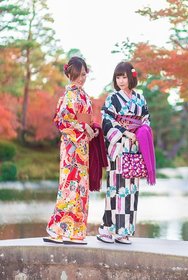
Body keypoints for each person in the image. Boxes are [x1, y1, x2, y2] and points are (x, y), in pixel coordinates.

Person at [97, 61, 153, 244]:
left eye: (124, 77)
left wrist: (140, 131)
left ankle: (124, 231)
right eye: (118, 77)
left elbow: (146, 119)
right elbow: (106, 121)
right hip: (119, 148)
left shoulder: (140, 98)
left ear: (131, 77)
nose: (121, 81)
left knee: (132, 189)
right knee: (116, 187)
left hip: (135, 147)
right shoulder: (112, 99)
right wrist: (124, 131)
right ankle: (106, 229)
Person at [44, 56, 98, 245]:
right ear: (69, 74)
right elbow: (60, 121)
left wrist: (92, 128)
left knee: (81, 189)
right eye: (77, 75)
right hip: (70, 147)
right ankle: (59, 231)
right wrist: (84, 128)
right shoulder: (67, 96)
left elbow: (88, 119)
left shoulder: (85, 96)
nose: (81, 78)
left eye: (83, 74)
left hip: (82, 148)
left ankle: (76, 233)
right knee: (68, 187)